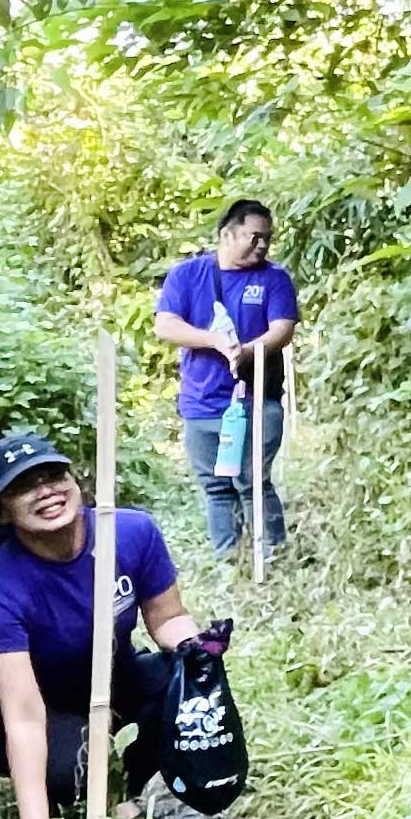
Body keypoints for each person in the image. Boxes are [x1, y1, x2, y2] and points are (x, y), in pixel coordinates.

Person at [0, 432, 228, 819]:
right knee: (69, 769)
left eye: (54, 475)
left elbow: (167, 618)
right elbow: (24, 716)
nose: (46, 491)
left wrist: (194, 648)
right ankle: (89, 790)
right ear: (1, 510)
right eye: (25, 486)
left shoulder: (130, 533)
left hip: (115, 673)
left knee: (186, 684)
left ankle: (130, 786)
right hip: (42, 706)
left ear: (77, 480)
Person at [154, 199, 298, 557]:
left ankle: (272, 557)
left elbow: (282, 329)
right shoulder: (187, 275)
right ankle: (228, 560)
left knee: (252, 481)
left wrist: (248, 351)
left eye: (268, 238)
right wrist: (215, 341)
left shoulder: (274, 278)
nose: (262, 245)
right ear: (227, 234)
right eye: (255, 237)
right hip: (201, 401)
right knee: (216, 486)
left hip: (255, 399)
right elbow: (166, 325)